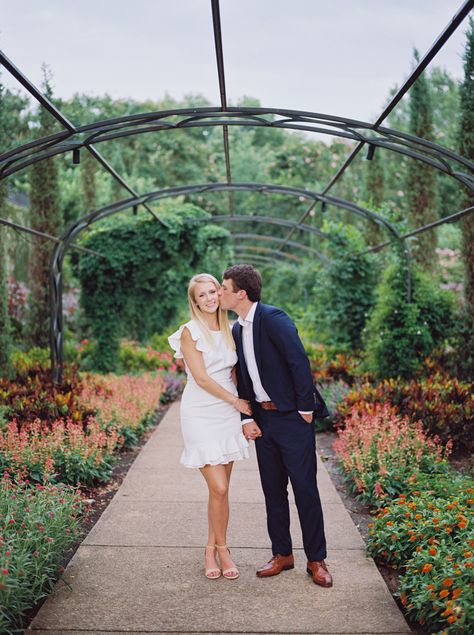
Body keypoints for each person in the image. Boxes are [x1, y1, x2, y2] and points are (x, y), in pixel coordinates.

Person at [219, 264, 333, 588]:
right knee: (272, 491)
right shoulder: (238, 330)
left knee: (305, 490)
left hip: (292, 419)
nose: (221, 293)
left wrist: (305, 410)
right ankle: (282, 554)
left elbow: (299, 362)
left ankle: (316, 559)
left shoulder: (273, 318)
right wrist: (247, 417)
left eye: (225, 288)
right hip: (264, 422)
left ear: (241, 293)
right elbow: (241, 377)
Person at [168, 273, 252, 580]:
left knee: (222, 491)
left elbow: (235, 372)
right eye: (201, 295)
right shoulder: (189, 332)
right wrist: (236, 402)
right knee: (217, 486)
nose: (209, 298)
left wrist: (247, 411)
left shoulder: (231, 330)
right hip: (201, 411)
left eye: (212, 292)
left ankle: (214, 548)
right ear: (194, 301)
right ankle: (219, 549)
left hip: (227, 414)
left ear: (219, 293)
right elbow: (201, 378)